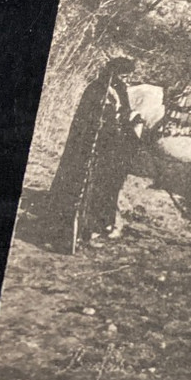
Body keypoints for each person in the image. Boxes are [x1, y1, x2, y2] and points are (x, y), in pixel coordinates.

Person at [49, 56, 139, 252]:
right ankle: (78, 233)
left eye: (128, 76)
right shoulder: (97, 89)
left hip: (111, 151)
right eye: (124, 75)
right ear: (115, 73)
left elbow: (123, 115)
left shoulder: (121, 90)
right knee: (86, 191)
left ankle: (96, 228)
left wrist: (128, 121)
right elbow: (89, 122)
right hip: (91, 151)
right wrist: (109, 123)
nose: (126, 79)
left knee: (104, 191)